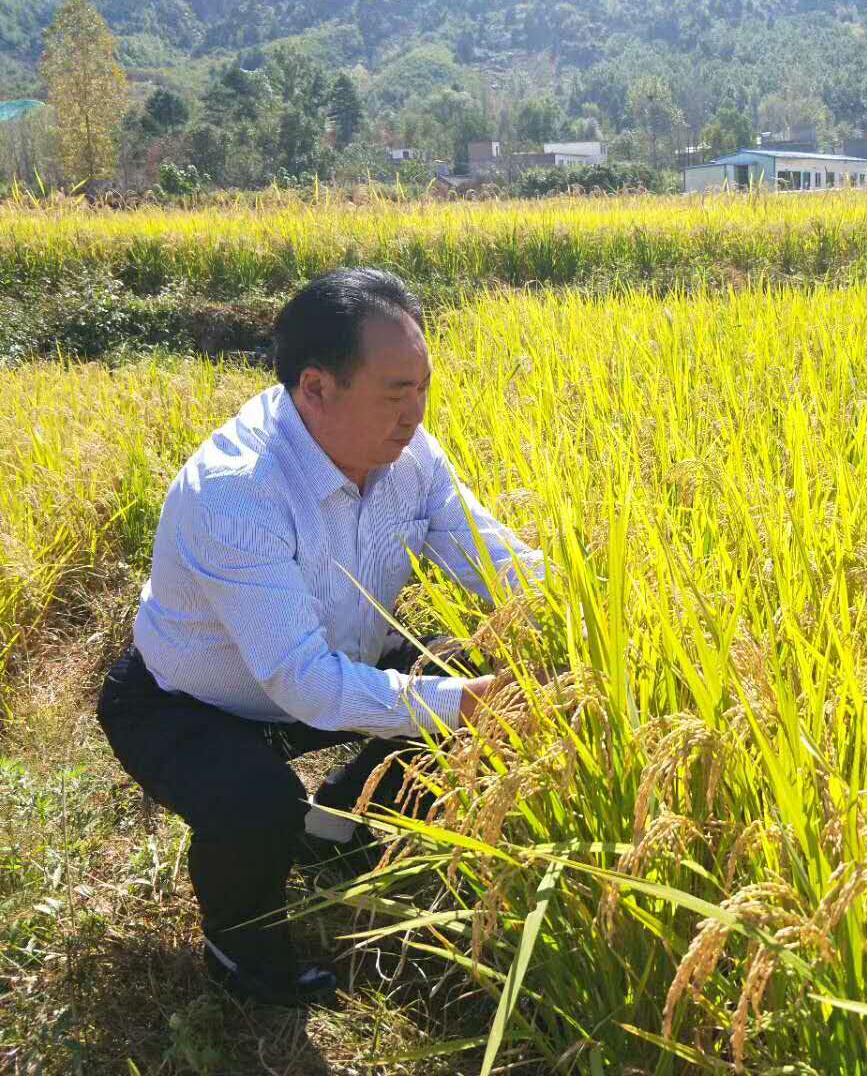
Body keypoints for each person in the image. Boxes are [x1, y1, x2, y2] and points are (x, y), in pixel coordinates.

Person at [96, 268, 544, 1007]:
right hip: (191, 702)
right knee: (257, 802)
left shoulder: (412, 459)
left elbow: (498, 563)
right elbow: (300, 680)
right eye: (394, 393)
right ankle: (244, 956)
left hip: (332, 665)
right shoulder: (237, 493)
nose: (415, 414)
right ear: (315, 387)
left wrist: (579, 618)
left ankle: (335, 832)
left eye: (424, 388)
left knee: (476, 677)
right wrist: (463, 703)